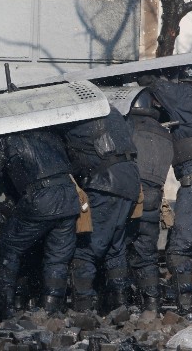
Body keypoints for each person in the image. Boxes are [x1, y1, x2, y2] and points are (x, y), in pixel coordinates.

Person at [139, 64, 192, 320]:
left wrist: (149, 76)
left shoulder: (189, 95)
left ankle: (185, 310)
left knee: (178, 250)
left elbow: (158, 86)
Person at [0, 129, 80, 317]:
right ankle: (51, 310)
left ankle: (4, 305)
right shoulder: (52, 135)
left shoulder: (7, 138)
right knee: (58, 258)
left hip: (41, 198)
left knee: (8, 248)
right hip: (69, 198)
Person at [61, 107, 141, 314]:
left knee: (87, 249)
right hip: (130, 181)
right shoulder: (109, 110)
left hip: (105, 183)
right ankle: (119, 306)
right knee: (115, 247)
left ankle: (83, 309)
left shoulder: (73, 113)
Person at [123, 90, 173, 313]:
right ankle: (151, 304)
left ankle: (120, 302)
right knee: (147, 254)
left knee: (117, 248)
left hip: (131, 195)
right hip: (154, 199)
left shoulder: (129, 125)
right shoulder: (165, 133)